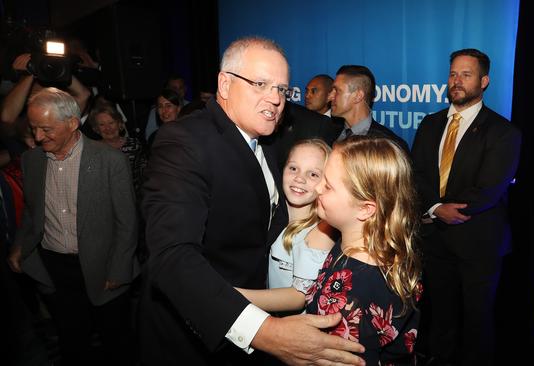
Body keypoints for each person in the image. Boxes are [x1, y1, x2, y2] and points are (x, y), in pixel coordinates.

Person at [138, 36, 365, 366]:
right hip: (195, 339)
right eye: (260, 84)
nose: (275, 98)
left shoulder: (268, 142)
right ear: (225, 84)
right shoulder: (184, 141)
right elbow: (172, 257)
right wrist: (267, 332)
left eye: (282, 90)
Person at [7, 87, 139, 365]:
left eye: (46, 128)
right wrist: (20, 245)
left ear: (72, 123)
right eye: (34, 129)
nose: (39, 137)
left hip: (104, 268)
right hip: (55, 269)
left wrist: (118, 268)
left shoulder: (110, 160)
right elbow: (33, 212)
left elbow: (127, 222)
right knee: (72, 340)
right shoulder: (32, 160)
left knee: (116, 340)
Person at [410, 48, 522, 366]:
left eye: (466, 74)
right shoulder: (430, 125)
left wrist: (447, 209)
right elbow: (415, 174)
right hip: (435, 239)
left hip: (479, 243)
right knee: (440, 316)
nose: (457, 81)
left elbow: (489, 188)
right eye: (453, 74)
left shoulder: (504, 132)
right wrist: (434, 207)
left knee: (478, 321)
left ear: (484, 81)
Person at [304, 136, 421, 364]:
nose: (317, 187)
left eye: (328, 185)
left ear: (366, 209)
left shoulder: (358, 289)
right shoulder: (355, 245)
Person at [237, 139, 336, 311]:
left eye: (313, 174)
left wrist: (231, 296)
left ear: (325, 183)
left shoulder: (320, 232)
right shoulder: (272, 215)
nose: (299, 178)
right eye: (293, 168)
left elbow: (299, 297)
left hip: (295, 330)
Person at [328, 65, 409, 152]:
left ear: (358, 96)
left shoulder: (390, 146)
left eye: (337, 91)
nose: (330, 96)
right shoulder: (329, 133)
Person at [88, 104, 146, 197]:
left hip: (134, 198)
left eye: (111, 123)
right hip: (105, 200)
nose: (108, 128)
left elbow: (144, 173)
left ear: (119, 123)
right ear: (96, 128)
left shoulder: (134, 145)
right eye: (102, 124)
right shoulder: (92, 149)